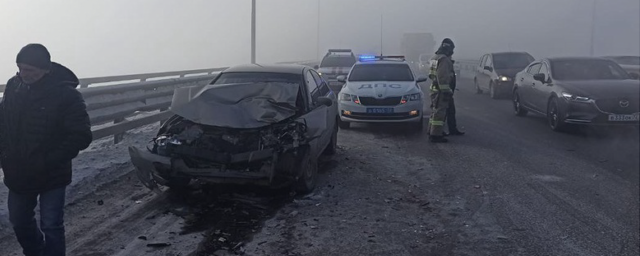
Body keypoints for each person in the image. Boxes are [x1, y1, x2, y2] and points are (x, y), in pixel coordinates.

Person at [0, 43, 92, 256]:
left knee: (51, 224)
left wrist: (47, 160)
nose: (24, 74)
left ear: (45, 69)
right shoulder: (14, 86)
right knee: (19, 220)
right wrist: (4, 154)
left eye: (30, 70)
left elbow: (81, 135)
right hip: (19, 171)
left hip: (52, 173)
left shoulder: (67, 95)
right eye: (20, 68)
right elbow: (3, 122)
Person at [426, 38, 456, 143]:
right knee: (440, 113)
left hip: (434, 89)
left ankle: (431, 131)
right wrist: (446, 91)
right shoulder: (444, 59)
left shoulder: (435, 57)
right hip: (440, 91)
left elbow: (431, 74)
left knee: (435, 111)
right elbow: (442, 77)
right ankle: (436, 135)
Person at [443, 66, 465, 136]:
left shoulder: (445, 61)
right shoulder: (444, 61)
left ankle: (452, 129)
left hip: (448, 92)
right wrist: (446, 91)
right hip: (444, 93)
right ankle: (438, 131)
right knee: (442, 113)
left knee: (451, 111)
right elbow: (443, 79)